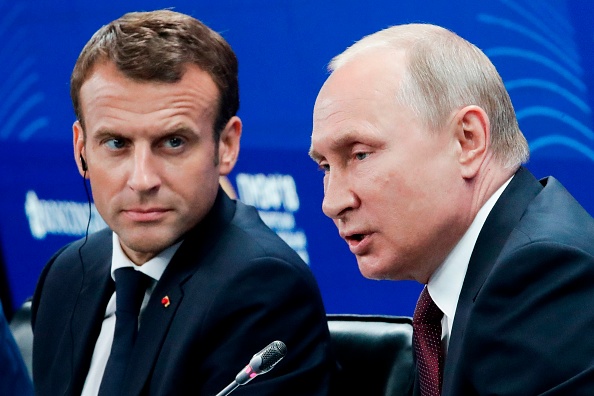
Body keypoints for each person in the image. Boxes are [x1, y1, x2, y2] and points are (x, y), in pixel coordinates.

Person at [32, 10, 334, 396]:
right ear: (81, 150)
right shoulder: (65, 275)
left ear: (226, 146)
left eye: (173, 142)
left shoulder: (262, 288)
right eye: (116, 144)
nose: (142, 179)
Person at [309, 23, 594, 395]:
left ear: (467, 140)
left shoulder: (545, 273)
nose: (332, 203)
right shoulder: (476, 274)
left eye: (360, 154)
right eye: (325, 167)